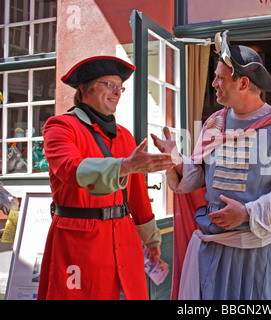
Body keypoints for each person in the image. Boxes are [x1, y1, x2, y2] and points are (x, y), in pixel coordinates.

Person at [152, 30, 271, 300]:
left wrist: (247, 213)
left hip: (258, 255)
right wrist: (177, 160)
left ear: (243, 83)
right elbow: (201, 177)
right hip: (214, 252)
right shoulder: (214, 123)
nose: (214, 83)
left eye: (220, 77)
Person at [37, 56, 176, 300]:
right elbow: (69, 169)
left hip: (125, 239)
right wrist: (124, 166)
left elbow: (136, 194)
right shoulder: (60, 126)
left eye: (119, 87)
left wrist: (151, 239)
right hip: (78, 242)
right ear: (84, 88)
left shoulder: (125, 136)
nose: (116, 92)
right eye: (108, 85)